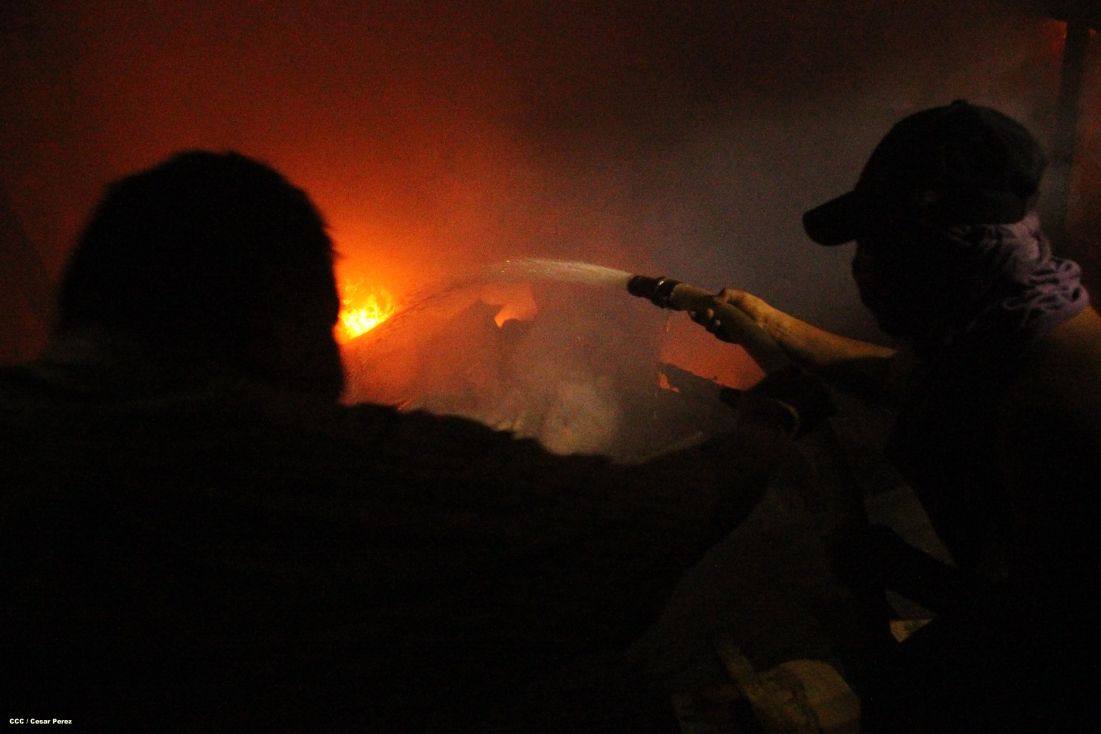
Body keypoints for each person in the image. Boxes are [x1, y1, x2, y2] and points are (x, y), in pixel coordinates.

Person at [0, 151, 803, 732]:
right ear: (276, 323)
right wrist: (772, 424)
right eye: (324, 329)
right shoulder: (296, 465)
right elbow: (626, 525)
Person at [690, 101, 1101, 731]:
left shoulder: (1047, 403)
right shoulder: (1006, 324)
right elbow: (898, 378)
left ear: (945, 249)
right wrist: (768, 322)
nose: (863, 267)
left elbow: (1061, 629)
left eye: (881, 245)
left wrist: (894, 565)